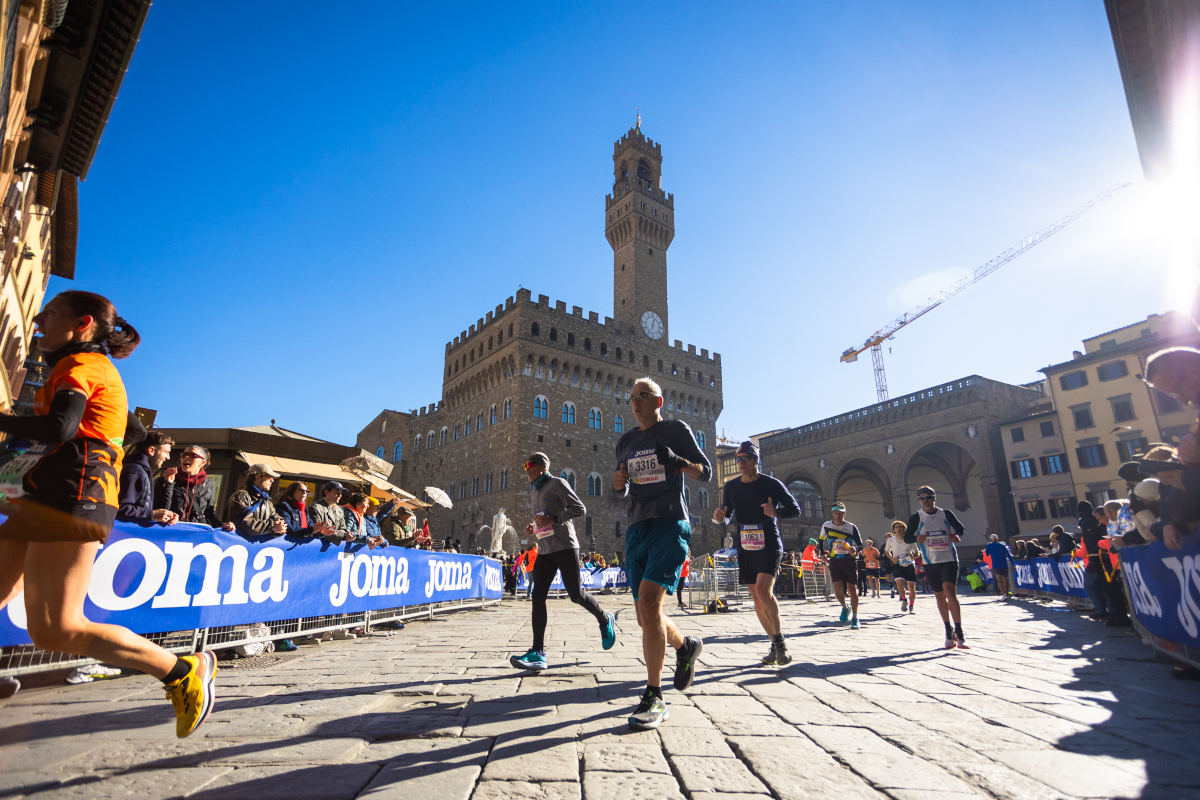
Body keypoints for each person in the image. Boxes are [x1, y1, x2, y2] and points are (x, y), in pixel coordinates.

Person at [0, 291, 215, 736]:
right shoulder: (88, 368)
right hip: (47, 495)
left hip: (71, 500)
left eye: (50, 313)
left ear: (82, 324)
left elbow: (60, 427)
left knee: (58, 629)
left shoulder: (82, 367)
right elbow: (135, 430)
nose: (38, 320)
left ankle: (181, 669)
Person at [613, 377, 710, 729]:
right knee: (644, 617)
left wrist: (678, 461)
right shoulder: (625, 441)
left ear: (658, 401)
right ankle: (685, 647)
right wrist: (619, 483)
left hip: (670, 522)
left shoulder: (675, 429)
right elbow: (622, 488)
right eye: (632, 397)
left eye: (643, 396)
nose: (636, 402)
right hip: (637, 528)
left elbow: (706, 473)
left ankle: (653, 696)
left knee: (651, 602)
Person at [509, 452, 616, 671]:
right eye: (525, 465)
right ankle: (538, 652)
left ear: (541, 467)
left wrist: (554, 519)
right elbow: (540, 517)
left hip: (566, 546)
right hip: (545, 549)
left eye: (530, 465)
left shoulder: (558, 483)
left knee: (575, 594)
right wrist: (534, 527)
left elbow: (580, 509)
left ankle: (605, 620)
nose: (526, 469)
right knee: (538, 597)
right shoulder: (534, 492)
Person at [711, 439, 801, 665]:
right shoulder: (731, 487)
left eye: (744, 459)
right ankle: (775, 645)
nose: (739, 463)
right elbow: (728, 514)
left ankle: (780, 642)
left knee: (763, 591)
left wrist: (776, 512)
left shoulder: (771, 484)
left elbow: (795, 509)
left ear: (755, 460)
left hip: (769, 543)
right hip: (745, 547)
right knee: (757, 599)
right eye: (737, 459)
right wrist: (720, 518)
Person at [904, 486, 968, 649]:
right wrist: (916, 538)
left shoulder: (945, 513)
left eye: (929, 497)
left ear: (934, 498)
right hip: (930, 562)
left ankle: (959, 633)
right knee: (940, 596)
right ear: (919, 500)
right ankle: (948, 630)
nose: (926, 501)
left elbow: (960, 528)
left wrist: (957, 536)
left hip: (949, 559)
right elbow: (906, 538)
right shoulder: (916, 517)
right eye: (922, 498)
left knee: (950, 593)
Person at [155, 445, 234, 530]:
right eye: (184, 454)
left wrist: (223, 525)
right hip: (171, 531)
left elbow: (209, 515)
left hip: (196, 535)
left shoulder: (209, 485)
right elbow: (160, 510)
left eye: (193, 455)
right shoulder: (167, 479)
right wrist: (169, 484)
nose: (186, 457)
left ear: (203, 462)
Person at [117, 430, 179, 525]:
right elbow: (119, 508)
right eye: (166, 452)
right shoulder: (134, 471)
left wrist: (164, 515)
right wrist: (151, 514)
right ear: (151, 450)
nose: (168, 457)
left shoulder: (139, 470)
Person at [819, 502, 863, 628]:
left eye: (840, 513)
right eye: (835, 513)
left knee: (852, 590)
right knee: (837, 589)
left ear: (845, 513)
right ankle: (845, 607)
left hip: (849, 560)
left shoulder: (851, 527)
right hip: (834, 560)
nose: (837, 516)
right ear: (832, 513)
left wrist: (854, 549)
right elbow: (821, 539)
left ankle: (855, 618)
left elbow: (860, 544)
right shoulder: (826, 525)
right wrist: (822, 553)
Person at [226, 464, 288, 538]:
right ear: (258, 477)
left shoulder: (266, 500)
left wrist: (280, 526)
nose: (272, 480)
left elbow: (276, 517)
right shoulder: (242, 495)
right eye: (269, 477)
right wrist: (272, 526)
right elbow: (243, 523)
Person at [885, 521, 918, 613]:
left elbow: (917, 553)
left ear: (904, 529)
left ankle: (911, 605)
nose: (898, 529)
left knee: (911, 588)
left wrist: (914, 555)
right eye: (896, 527)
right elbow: (886, 552)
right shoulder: (890, 540)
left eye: (900, 527)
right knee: (899, 584)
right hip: (898, 564)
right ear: (894, 530)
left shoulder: (910, 539)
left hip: (909, 565)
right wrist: (892, 559)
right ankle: (904, 600)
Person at [983, 534, 1012, 598]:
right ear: (997, 539)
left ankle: (1004, 594)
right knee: (1005, 579)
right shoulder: (1002, 545)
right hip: (1004, 564)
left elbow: (987, 554)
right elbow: (1008, 555)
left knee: (999, 580)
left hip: (995, 564)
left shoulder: (989, 545)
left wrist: (989, 547)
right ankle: (1007, 593)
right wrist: (1012, 564)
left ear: (991, 539)